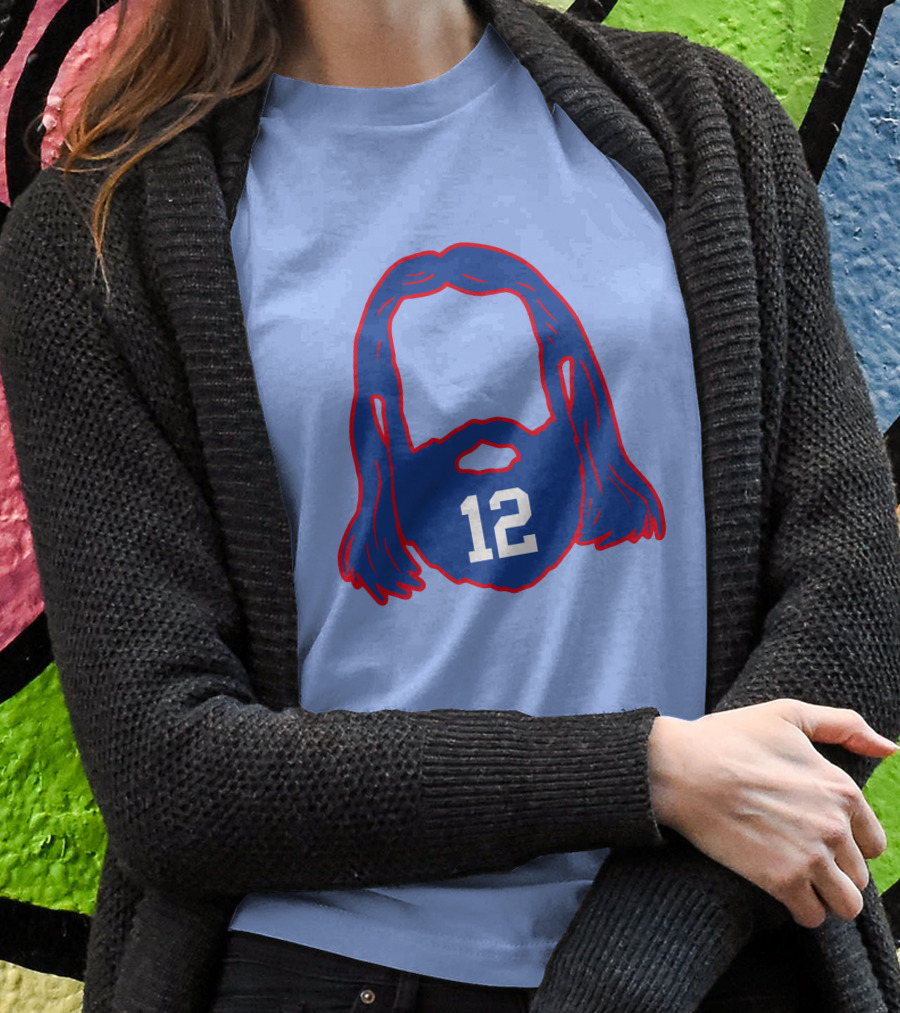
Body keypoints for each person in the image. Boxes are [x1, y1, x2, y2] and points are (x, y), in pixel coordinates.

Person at [1, 0, 899, 1009]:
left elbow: (853, 598)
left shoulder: (705, 129)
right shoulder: (99, 238)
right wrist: (646, 772)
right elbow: (171, 772)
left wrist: (631, 965)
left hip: (712, 964)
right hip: (335, 979)